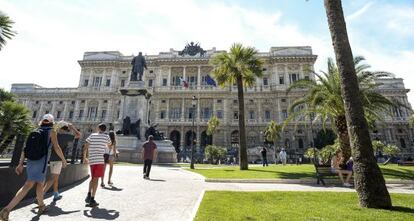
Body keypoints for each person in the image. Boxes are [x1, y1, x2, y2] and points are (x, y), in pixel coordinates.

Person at [0, 114, 67, 220]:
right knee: (28, 185)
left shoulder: (35, 131)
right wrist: (63, 160)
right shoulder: (52, 132)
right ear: (51, 122)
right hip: (42, 161)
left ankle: (41, 206)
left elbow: (25, 149)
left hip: (31, 161)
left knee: (40, 183)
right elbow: (57, 147)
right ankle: (7, 209)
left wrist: (21, 163)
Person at [43, 121, 80, 201]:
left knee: (55, 177)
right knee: (53, 178)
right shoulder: (66, 136)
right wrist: (72, 127)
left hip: (51, 158)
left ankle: (56, 193)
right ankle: (41, 195)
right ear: (66, 130)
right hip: (59, 159)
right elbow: (78, 135)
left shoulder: (55, 135)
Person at [83, 123, 112, 207]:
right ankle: (92, 199)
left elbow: (85, 147)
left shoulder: (92, 135)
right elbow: (110, 146)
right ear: (105, 130)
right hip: (99, 160)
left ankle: (88, 194)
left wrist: (85, 157)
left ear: (98, 128)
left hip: (92, 159)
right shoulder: (106, 137)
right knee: (96, 179)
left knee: (93, 178)